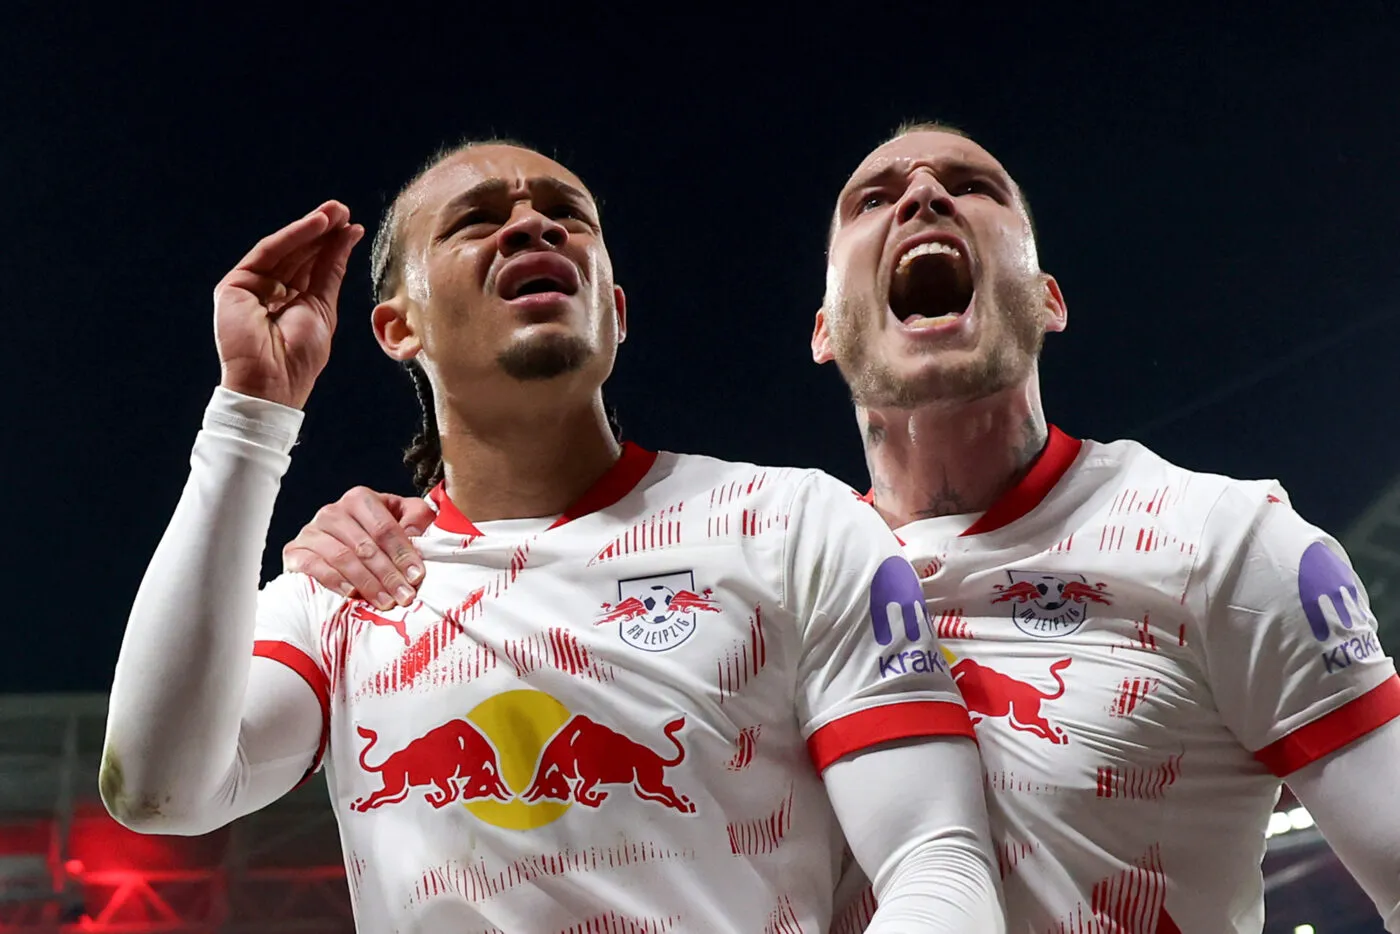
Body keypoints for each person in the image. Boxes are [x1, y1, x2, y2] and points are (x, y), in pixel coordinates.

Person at [294, 126, 1400, 932]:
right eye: (873, 198)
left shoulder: (1221, 543)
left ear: (1049, 299)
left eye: (972, 186)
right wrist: (384, 539)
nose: (922, 195)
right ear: (824, 330)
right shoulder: (779, 577)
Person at [100, 141, 1007, 933]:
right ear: (398, 327)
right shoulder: (350, 584)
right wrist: (252, 417)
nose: (534, 227)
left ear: (617, 308)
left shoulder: (794, 524)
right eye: (477, 220)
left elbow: (936, 857)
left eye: (567, 216)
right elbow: (158, 788)